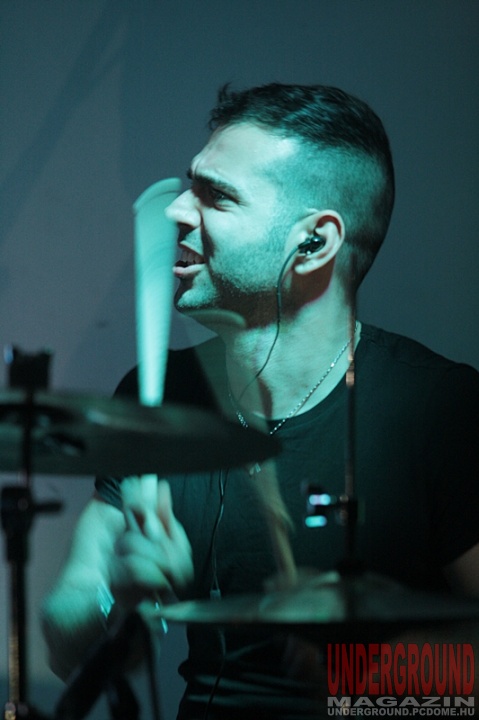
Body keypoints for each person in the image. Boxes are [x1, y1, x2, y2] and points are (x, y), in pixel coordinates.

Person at [41, 83, 479, 719]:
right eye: (189, 186)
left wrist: (362, 674)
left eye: (216, 195)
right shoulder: (158, 396)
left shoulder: (443, 410)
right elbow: (65, 644)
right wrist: (113, 591)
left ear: (314, 244)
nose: (177, 210)